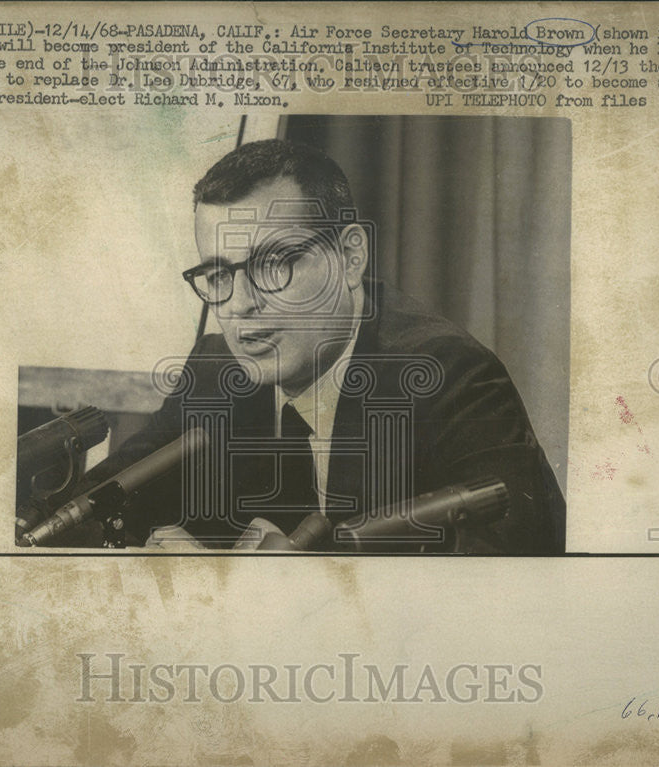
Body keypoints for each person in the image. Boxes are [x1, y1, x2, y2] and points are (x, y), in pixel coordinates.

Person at [78, 139, 565, 553]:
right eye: (220, 274)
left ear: (350, 257)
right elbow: (90, 508)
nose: (242, 305)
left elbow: (516, 576)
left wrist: (311, 588)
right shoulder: (214, 371)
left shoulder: (448, 376)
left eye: (275, 264)